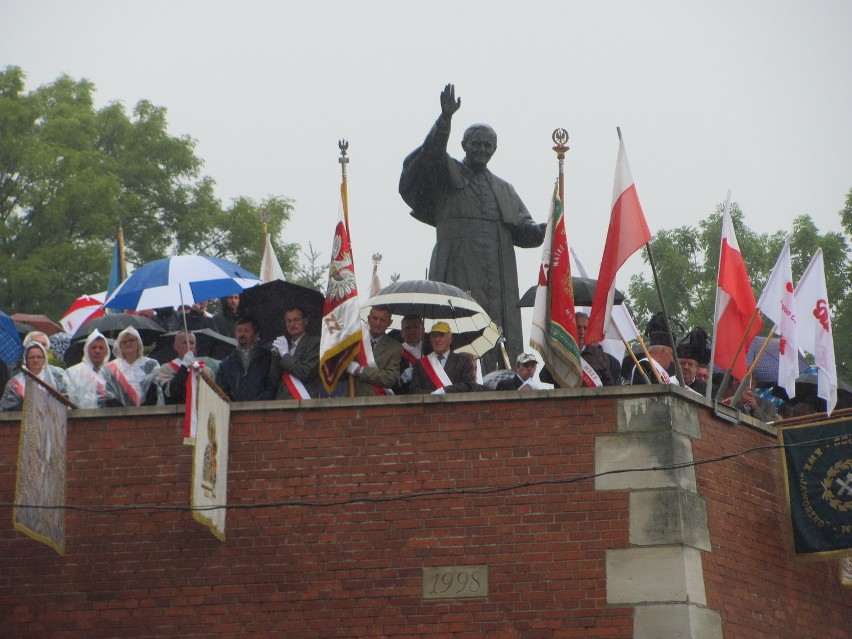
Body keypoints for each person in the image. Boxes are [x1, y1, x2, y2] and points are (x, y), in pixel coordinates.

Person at [399, 84, 546, 372]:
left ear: (494, 149)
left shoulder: (504, 189)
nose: (481, 149)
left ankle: (503, 374)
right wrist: (445, 120)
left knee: (498, 330)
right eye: (475, 144)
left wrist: (546, 229)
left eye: (487, 145)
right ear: (464, 145)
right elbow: (430, 154)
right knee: (456, 323)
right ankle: (449, 374)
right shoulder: (446, 173)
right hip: (457, 263)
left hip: (498, 272)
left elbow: (523, 230)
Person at [215, 315, 275, 402]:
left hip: (262, 411)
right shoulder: (226, 364)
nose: (242, 334)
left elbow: (272, 387)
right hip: (235, 412)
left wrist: (256, 404)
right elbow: (220, 391)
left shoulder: (267, 359)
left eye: (247, 331)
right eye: (239, 331)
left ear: (256, 334)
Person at [346, 306, 402, 397]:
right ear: (368, 319)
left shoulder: (395, 348)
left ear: (389, 323)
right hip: (352, 399)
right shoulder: (354, 340)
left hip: (377, 403)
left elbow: (389, 378)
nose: (378, 323)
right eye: (375, 318)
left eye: (382, 320)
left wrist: (360, 370)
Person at [100, 326, 162, 407]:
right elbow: (107, 393)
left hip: (147, 413)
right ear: (120, 345)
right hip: (118, 414)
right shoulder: (108, 368)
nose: (128, 343)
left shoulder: (151, 364)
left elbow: (155, 391)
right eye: (124, 342)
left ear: (138, 342)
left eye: (131, 340)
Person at [410, 321, 477, 394]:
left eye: (441, 335)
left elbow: (469, 386)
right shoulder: (421, 364)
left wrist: (444, 391)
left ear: (450, 339)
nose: (437, 339)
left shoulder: (464, 361)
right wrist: (433, 394)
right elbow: (414, 390)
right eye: (434, 336)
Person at [270, 306, 321, 400]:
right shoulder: (284, 344)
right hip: (283, 403)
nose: (292, 324)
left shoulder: (315, 343)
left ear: (305, 321)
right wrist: (276, 357)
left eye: (296, 320)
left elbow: (305, 372)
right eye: (288, 321)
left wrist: (285, 355)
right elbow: (274, 381)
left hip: (305, 402)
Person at [1, 342, 67, 411]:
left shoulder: (57, 377)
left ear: (44, 359)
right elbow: (7, 409)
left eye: (39, 357)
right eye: (32, 357)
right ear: (26, 360)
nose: (35, 360)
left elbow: (65, 401)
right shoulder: (15, 383)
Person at [157, 331, 212, 405]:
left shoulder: (206, 370)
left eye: (192, 343)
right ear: (175, 346)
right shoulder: (166, 369)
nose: (189, 346)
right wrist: (184, 368)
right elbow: (170, 393)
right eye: (185, 342)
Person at [64, 329, 110, 408]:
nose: (97, 351)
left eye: (101, 348)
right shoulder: (72, 373)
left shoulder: (112, 373)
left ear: (106, 351)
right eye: (93, 347)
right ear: (87, 349)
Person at [392, 314, 425, 395]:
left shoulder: (432, 350)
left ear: (423, 330)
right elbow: (390, 385)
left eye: (416, 327)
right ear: (402, 332)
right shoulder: (395, 354)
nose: (412, 331)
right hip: (406, 399)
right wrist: (402, 379)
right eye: (407, 328)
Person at [676, 327, 710, 394]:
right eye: (682, 363)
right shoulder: (667, 382)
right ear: (676, 365)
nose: (686, 367)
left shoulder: (706, 391)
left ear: (696, 368)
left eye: (690, 364)